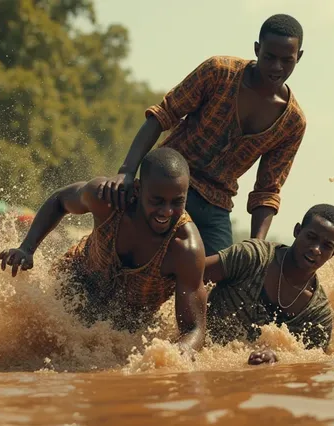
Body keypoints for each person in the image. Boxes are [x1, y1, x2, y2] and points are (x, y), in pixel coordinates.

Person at [98, 14, 307, 255]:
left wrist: (256, 246)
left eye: (286, 60)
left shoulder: (293, 123)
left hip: (215, 206)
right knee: (122, 251)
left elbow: (267, 191)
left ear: (299, 57)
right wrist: (126, 172)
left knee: (220, 283)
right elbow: (163, 115)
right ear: (257, 49)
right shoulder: (219, 72)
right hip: (167, 184)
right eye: (269, 57)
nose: (276, 67)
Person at [0, 148, 208, 354]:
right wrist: (27, 248)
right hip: (74, 285)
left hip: (127, 323)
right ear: (137, 189)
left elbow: (193, 329)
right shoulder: (108, 199)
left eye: (177, 202)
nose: (167, 212)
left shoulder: (185, 248)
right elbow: (60, 199)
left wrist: (175, 355)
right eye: (157, 200)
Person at [203, 204, 334, 365]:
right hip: (206, 362)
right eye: (311, 237)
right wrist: (191, 335)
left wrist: (278, 357)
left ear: (333, 253)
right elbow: (191, 276)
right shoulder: (252, 257)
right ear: (297, 231)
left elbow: (310, 365)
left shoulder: (318, 314)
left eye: (327, 246)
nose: (315, 249)